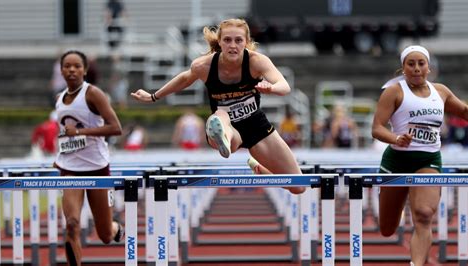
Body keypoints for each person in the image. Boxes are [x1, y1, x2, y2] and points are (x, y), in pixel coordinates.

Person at [131, 18, 305, 194]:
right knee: (221, 116)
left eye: (238, 40)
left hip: (256, 126)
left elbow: (285, 86)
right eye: (227, 40)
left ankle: (260, 170)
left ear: (246, 42)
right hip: (227, 125)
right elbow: (184, 79)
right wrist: (153, 96)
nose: (233, 45)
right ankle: (223, 137)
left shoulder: (256, 61)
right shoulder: (204, 65)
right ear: (220, 42)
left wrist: (272, 88)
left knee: (298, 186)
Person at [371, 45, 468, 266]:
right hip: (396, 160)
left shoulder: (441, 92)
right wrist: (396, 138)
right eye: (411, 64)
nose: (416, 68)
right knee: (387, 228)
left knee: (424, 214)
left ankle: (415, 264)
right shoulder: (394, 92)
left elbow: (464, 112)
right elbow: (376, 128)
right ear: (403, 68)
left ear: (428, 67)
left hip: (428, 160)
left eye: (421, 63)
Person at [53, 50, 124, 265]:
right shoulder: (59, 99)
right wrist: (60, 157)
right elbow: (66, 134)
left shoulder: (93, 94)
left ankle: (114, 227)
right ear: (61, 70)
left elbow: (116, 128)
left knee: (104, 235)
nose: (72, 70)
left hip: (97, 168)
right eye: (67, 66)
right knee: (72, 223)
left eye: (76, 66)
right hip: (70, 169)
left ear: (84, 70)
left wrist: (81, 133)